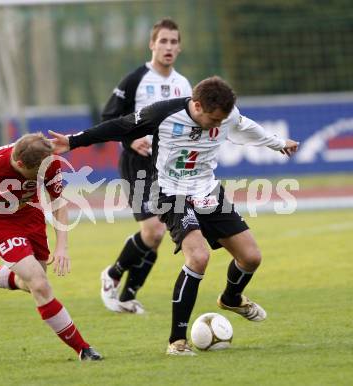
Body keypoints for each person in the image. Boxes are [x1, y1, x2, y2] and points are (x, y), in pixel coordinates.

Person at [48, 76, 299, 356]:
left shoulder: (227, 116)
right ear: (197, 105)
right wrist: (73, 141)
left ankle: (231, 299)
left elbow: (244, 127)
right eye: (213, 120)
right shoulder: (163, 113)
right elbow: (119, 126)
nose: (217, 126)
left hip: (207, 191)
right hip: (169, 192)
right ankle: (177, 342)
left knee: (251, 257)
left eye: (221, 121)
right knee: (199, 257)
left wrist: (278, 143)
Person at [0, 133, 102, 361]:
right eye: (37, 173)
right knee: (40, 285)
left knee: (32, 282)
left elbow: (58, 201)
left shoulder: (49, 160)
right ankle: (83, 349)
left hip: (31, 215)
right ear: (19, 164)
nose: (43, 175)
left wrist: (62, 247)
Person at [100, 18, 192, 314]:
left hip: (165, 166)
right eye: (163, 41)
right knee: (152, 231)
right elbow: (108, 118)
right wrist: (130, 141)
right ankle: (112, 274)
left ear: (179, 47)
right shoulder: (136, 79)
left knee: (158, 234)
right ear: (152, 44)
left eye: (173, 42)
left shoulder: (182, 84)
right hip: (136, 163)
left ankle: (127, 296)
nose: (168, 47)